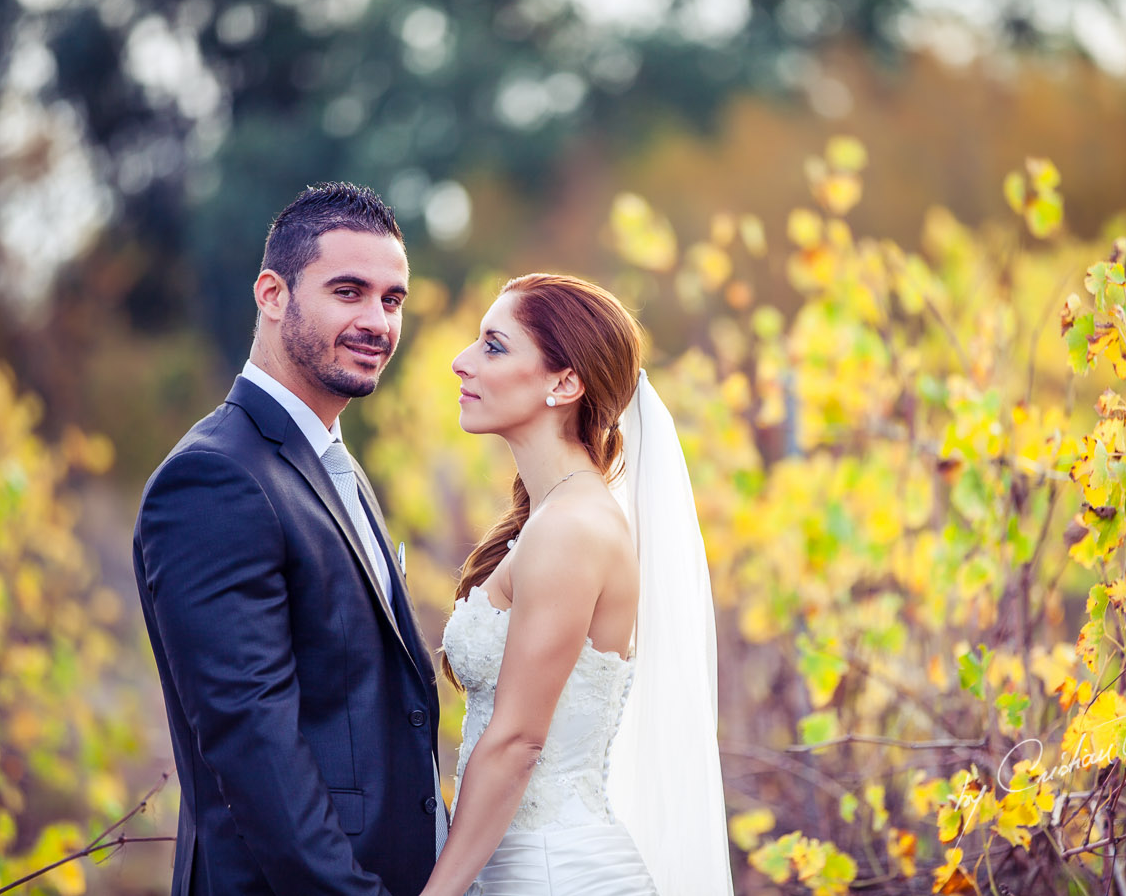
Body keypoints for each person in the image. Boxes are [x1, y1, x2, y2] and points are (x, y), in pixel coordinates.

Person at [132, 182, 445, 894]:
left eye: (392, 300)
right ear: (272, 294)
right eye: (348, 291)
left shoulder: (336, 467)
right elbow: (252, 745)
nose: (377, 321)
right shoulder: (215, 478)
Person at [425, 273, 733, 895]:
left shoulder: (570, 530)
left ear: (563, 383)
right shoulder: (554, 517)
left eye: (493, 346)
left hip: (552, 873)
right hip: (513, 865)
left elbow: (516, 741)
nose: (461, 363)